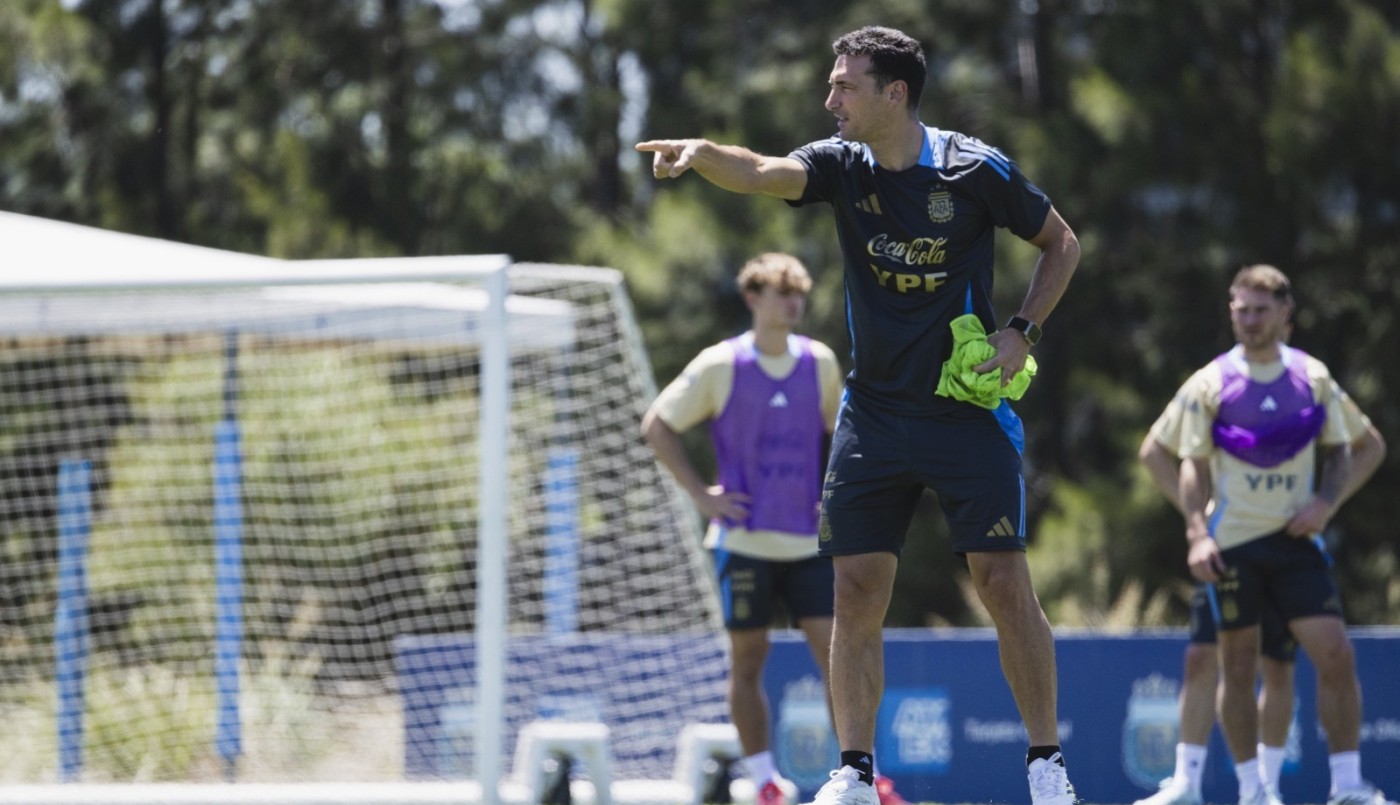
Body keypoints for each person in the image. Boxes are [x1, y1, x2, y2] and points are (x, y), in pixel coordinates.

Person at [637, 25, 1081, 805]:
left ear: (894, 94)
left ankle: (1047, 765)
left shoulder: (975, 168)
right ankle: (852, 771)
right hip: (873, 416)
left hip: (964, 414)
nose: (829, 98)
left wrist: (1022, 331)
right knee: (855, 588)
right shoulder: (842, 164)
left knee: (1004, 581)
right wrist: (702, 152)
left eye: (845, 85)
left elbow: (1062, 244)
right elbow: (767, 171)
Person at [641, 253, 906, 805]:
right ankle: (764, 780)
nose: (794, 301)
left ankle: (862, 777)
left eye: (799, 292)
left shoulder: (821, 363)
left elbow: (848, 436)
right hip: (742, 543)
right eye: (782, 291)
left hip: (809, 544)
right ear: (752, 298)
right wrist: (700, 494)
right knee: (748, 659)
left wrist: (836, 496)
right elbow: (658, 425)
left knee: (838, 652)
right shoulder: (720, 364)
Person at [1165, 264, 1386, 805]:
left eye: (1261, 310)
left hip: (1295, 546)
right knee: (1236, 666)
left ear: (1287, 314)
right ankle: (1252, 791)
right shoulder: (1212, 381)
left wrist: (1326, 504)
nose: (1250, 320)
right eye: (1241, 310)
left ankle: (1348, 786)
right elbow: (1189, 464)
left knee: (1334, 654)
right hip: (1233, 545)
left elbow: (1356, 449)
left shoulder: (1312, 377)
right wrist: (1198, 533)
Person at [1139, 425, 1301, 805]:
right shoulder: (1211, 389)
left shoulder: (1297, 381)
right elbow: (1153, 451)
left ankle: (1267, 787)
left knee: (1276, 663)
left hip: (1286, 548)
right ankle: (1186, 784)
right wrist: (1198, 518)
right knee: (1201, 658)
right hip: (1226, 549)